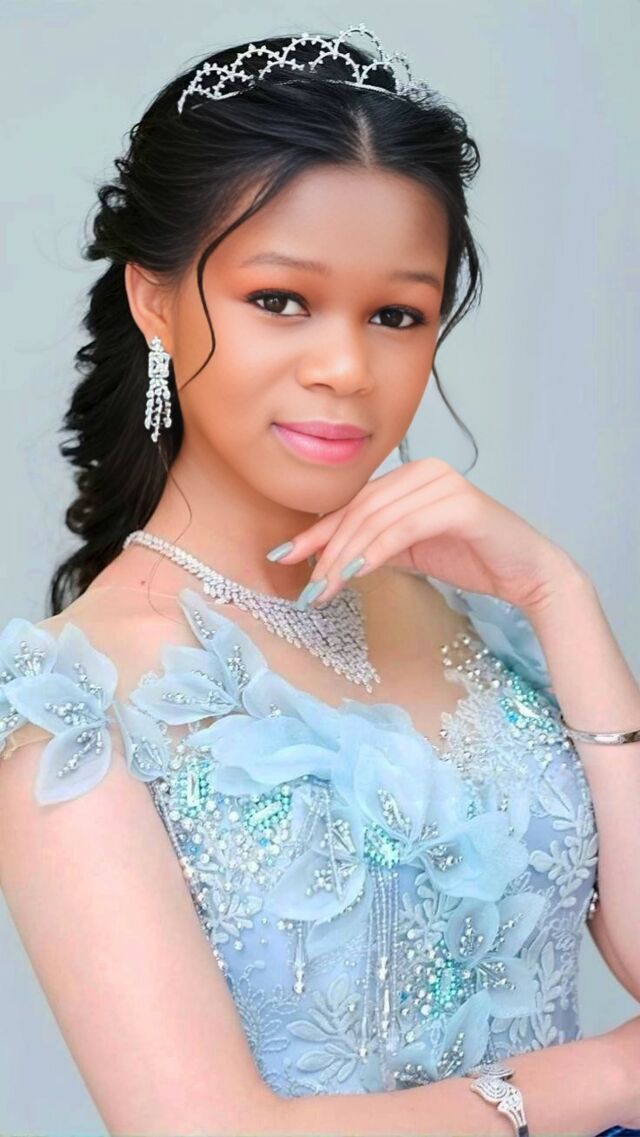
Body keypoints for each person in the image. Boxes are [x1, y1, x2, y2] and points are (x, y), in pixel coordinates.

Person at [0, 22, 638, 1137]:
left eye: (396, 315)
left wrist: (556, 592)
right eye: (280, 300)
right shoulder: (79, 705)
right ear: (155, 301)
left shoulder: (486, 616)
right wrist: (611, 1081)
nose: (345, 368)